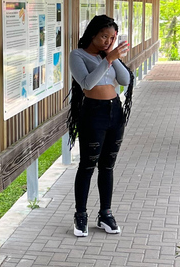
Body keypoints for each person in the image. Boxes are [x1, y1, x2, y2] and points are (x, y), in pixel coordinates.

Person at [67, 15, 133, 237]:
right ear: (92, 34)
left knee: (107, 166)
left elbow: (125, 80)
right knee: (87, 165)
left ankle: (106, 213)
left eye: (112, 38)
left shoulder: (108, 56)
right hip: (93, 113)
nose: (108, 41)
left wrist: (112, 57)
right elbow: (87, 83)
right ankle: (81, 215)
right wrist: (108, 59)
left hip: (115, 112)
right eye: (104, 36)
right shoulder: (77, 55)